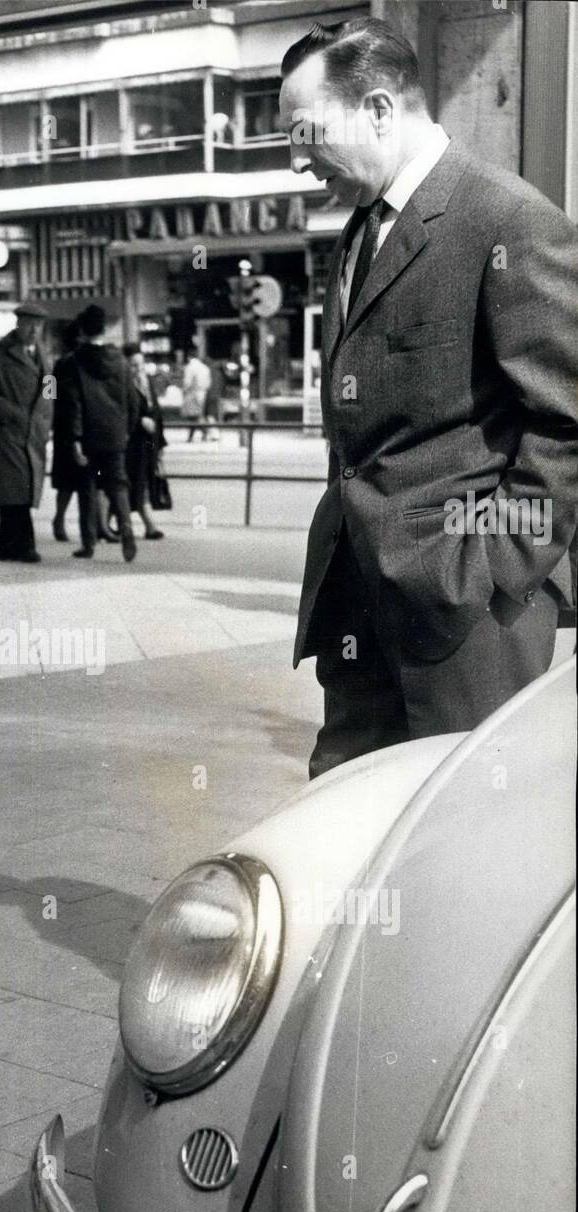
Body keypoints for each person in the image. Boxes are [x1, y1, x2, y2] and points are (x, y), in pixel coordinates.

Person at [280, 17, 578, 779]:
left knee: (460, 848)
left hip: (464, 621)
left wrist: (489, 571)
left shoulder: (509, 220)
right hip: (358, 606)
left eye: (307, 131)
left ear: (379, 108)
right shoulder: (357, 233)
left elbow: (565, 424)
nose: (298, 160)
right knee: (345, 822)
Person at [0, 302, 53, 563]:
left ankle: (7, 546)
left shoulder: (43, 353)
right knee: (16, 487)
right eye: (29, 324)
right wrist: (11, 413)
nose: (33, 330)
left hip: (34, 431)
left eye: (38, 325)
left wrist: (46, 417)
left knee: (21, 488)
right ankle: (22, 546)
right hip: (7, 431)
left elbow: (50, 388)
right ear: (18, 324)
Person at [59, 304, 141, 563]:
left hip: (88, 437)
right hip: (116, 435)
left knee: (88, 489)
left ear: (82, 330)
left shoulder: (75, 361)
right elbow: (133, 400)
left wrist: (74, 439)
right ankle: (127, 529)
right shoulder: (120, 361)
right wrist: (126, 430)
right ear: (104, 329)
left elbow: (74, 403)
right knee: (118, 486)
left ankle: (89, 543)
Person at [123, 344, 166, 541]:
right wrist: (140, 421)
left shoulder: (147, 381)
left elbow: (157, 412)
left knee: (142, 481)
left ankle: (108, 524)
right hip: (133, 441)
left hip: (149, 442)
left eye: (140, 363)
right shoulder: (123, 384)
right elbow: (120, 412)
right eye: (133, 364)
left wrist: (161, 443)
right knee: (138, 483)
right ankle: (149, 525)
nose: (138, 368)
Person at [50, 318, 84, 544]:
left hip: (66, 425)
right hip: (67, 426)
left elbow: (47, 393)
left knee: (72, 481)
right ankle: (60, 519)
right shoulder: (66, 364)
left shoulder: (58, 364)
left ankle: (61, 519)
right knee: (69, 480)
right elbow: (48, 393)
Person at [181, 347, 212, 441]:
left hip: (192, 392)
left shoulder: (190, 367)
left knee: (194, 415)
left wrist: (184, 391)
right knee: (198, 414)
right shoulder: (204, 367)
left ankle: (204, 432)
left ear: (188, 357)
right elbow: (209, 382)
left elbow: (187, 382)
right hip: (203, 392)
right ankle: (197, 434)